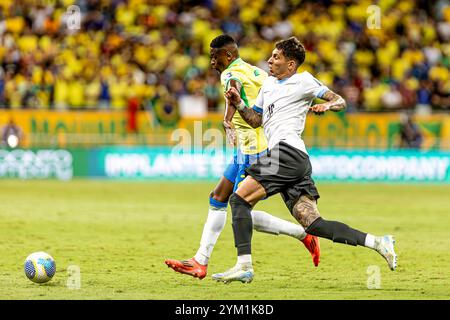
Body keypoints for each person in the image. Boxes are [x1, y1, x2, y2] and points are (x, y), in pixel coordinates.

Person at [212, 37, 397, 284]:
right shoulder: (268, 85)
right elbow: (255, 120)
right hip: (294, 160)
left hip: (286, 153)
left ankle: (244, 265)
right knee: (313, 224)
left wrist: (329, 105)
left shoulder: (304, 81)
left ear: (290, 65)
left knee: (239, 199)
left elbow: (339, 100)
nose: (269, 60)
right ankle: (378, 242)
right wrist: (239, 103)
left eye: (276, 57)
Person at [164, 35, 320, 280]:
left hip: (254, 150)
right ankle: (200, 262)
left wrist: (227, 120)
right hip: (249, 148)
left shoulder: (230, 73)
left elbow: (232, 87)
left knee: (242, 207)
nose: (212, 62)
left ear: (228, 55)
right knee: (218, 197)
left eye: (215, 56)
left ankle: (302, 235)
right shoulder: (256, 71)